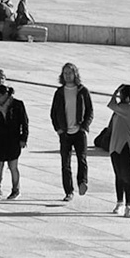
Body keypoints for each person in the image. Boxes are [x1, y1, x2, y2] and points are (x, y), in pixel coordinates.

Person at [51, 62, 95, 200]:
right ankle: (68, 191)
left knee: (82, 159)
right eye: (65, 73)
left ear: (75, 74)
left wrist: (85, 127)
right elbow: (53, 113)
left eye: (70, 73)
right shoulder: (59, 92)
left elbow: (90, 111)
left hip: (79, 131)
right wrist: (58, 129)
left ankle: (82, 182)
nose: (67, 75)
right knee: (65, 163)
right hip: (65, 132)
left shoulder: (82, 91)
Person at [105, 84, 130, 217]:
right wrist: (116, 93)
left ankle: (129, 205)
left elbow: (110, 104)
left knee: (127, 176)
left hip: (127, 145)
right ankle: (119, 202)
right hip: (115, 145)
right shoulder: (119, 109)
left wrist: (115, 93)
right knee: (118, 175)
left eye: (122, 94)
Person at [0, 83, 28, 201]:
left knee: (13, 166)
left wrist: (23, 138)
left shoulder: (17, 105)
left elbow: (24, 123)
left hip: (13, 139)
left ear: (6, 95)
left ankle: (15, 190)